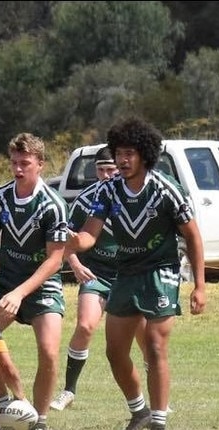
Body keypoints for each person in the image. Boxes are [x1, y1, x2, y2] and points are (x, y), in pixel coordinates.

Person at [67, 116, 206, 430]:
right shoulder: (107, 191)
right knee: (115, 352)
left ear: (145, 154)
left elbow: (194, 237)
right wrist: (71, 242)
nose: (123, 160)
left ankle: (159, 425)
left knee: (156, 346)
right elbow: (89, 235)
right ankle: (139, 411)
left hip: (161, 272)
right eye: (119, 153)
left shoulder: (165, 189)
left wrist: (200, 285)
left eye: (130, 153)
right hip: (125, 273)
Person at [0, 132, 68, 430]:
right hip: (5, 283)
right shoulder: (0, 199)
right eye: (14, 163)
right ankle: (7, 407)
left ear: (40, 165)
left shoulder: (53, 205)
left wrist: (21, 293)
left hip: (43, 286)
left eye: (25, 163)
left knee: (49, 352)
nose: (18, 168)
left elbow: (55, 259)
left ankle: (39, 426)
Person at [50, 147, 146, 411]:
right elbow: (66, 238)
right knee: (85, 327)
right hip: (97, 274)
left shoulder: (136, 196)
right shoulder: (86, 200)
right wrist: (76, 264)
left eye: (111, 170)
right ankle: (69, 391)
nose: (106, 175)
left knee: (145, 337)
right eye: (102, 170)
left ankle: (155, 396)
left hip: (129, 276)